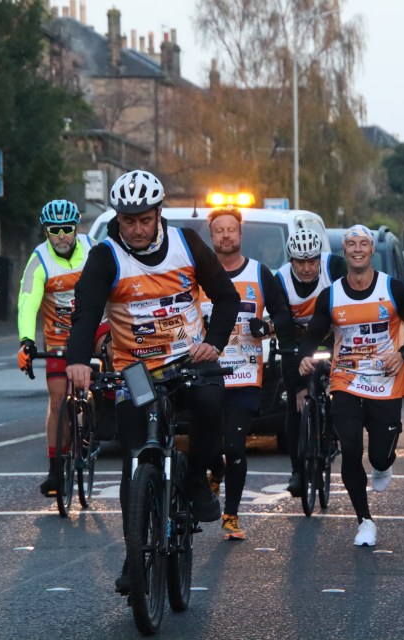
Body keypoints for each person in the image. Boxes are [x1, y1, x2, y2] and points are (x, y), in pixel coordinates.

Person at [64, 169, 240, 594]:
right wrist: (78, 360)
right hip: (135, 370)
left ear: (159, 213)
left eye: (145, 219)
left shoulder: (187, 244)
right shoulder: (106, 255)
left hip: (189, 360)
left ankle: (197, 478)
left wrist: (213, 344)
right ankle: (133, 554)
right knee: (132, 461)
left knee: (211, 406)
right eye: (129, 221)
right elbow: (86, 311)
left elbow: (227, 296)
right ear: (117, 220)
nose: (138, 229)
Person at [297, 224, 404, 546]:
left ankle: (383, 466)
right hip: (346, 379)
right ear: (345, 252)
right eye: (351, 244)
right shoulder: (331, 295)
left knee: (381, 458)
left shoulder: (393, 289)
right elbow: (314, 334)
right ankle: (365, 521)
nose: (358, 249)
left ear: (371, 251)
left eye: (363, 244)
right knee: (352, 449)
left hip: (385, 380)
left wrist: (403, 354)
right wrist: (304, 357)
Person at [202, 206, 295, 541]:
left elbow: (285, 316)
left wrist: (267, 326)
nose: (226, 235)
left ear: (240, 235)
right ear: (211, 237)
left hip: (244, 375)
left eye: (231, 230)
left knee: (236, 446)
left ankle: (231, 515)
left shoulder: (259, 273)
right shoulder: (199, 275)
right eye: (219, 231)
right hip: (206, 374)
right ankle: (214, 470)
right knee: (208, 446)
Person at [16, 199, 101, 496]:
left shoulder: (93, 250)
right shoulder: (39, 260)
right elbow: (28, 302)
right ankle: (55, 470)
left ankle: (105, 411)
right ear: (47, 231)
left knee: (115, 352)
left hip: (95, 329)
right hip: (58, 337)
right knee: (56, 400)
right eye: (55, 230)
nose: (62, 235)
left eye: (67, 229)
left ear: (76, 228)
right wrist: (26, 341)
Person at [276, 228, 348, 496]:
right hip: (296, 341)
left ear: (320, 258)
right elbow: (283, 330)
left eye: (312, 261)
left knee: (340, 388)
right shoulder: (280, 280)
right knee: (294, 405)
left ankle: (332, 431)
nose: (307, 268)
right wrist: (297, 385)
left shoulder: (336, 267)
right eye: (300, 262)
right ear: (290, 261)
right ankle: (297, 470)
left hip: (332, 335)